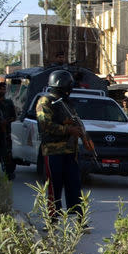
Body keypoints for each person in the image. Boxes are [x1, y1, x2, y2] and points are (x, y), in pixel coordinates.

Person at [36, 70, 84, 218]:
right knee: (53, 187)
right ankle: (52, 218)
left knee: (74, 186)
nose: (70, 89)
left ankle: (79, 219)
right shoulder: (45, 101)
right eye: (68, 86)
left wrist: (80, 132)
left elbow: (76, 120)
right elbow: (45, 125)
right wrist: (68, 130)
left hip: (70, 152)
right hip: (53, 151)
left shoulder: (66, 102)